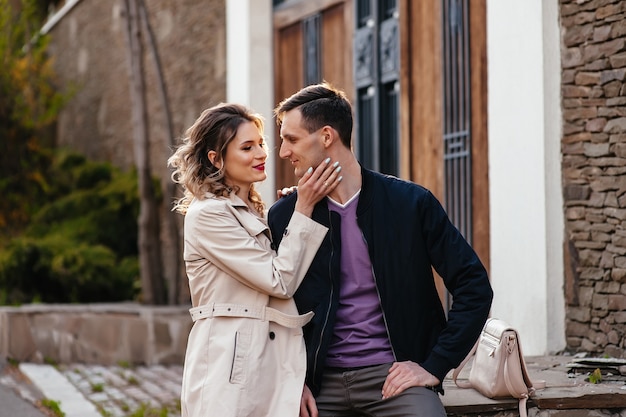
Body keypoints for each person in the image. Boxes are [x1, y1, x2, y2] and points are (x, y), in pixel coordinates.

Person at [268, 83, 494, 417]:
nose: (283, 151)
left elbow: (473, 286)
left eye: (292, 139)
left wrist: (434, 364)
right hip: (316, 384)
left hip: (394, 377)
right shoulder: (286, 215)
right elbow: (275, 307)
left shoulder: (410, 204)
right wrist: (292, 379)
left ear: (327, 136)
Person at [167, 102, 343, 417]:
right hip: (230, 368)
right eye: (247, 147)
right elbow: (279, 281)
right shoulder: (208, 214)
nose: (262, 154)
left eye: (261, 143)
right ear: (216, 158)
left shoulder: (255, 211)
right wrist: (302, 208)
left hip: (268, 362)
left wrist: (293, 381)